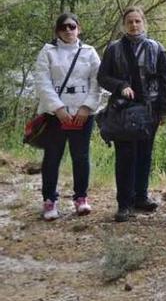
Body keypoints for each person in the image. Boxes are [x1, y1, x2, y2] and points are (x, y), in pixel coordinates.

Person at [98, 6, 166, 223]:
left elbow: (165, 80)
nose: (134, 25)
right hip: (124, 110)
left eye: (138, 21)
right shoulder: (114, 49)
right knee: (125, 156)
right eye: (130, 21)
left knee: (145, 154)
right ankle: (124, 203)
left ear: (144, 22)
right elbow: (102, 77)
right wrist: (120, 85)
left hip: (150, 109)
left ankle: (141, 196)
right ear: (124, 24)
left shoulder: (156, 48)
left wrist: (164, 110)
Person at [34, 13, 102, 220]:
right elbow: (42, 82)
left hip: (82, 112)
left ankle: (81, 198)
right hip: (56, 114)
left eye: (72, 26)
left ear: (78, 29)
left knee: (80, 157)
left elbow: (97, 82)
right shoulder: (47, 52)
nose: (68, 30)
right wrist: (58, 108)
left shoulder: (89, 53)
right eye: (63, 27)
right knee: (52, 157)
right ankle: (49, 200)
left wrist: (87, 107)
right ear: (57, 31)